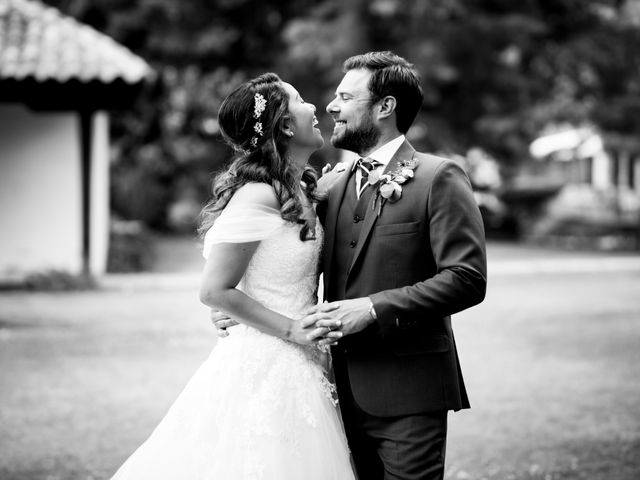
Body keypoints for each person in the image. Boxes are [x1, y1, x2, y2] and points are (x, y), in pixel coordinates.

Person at [215, 51, 487, 480]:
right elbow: (280, 254)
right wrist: (238, 302)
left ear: (384, 107)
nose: (331, 106)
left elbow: (467, 279)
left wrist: (373, 308)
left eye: (345, 96)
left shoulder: (440, 177)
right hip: (330, 390)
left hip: (409, 390)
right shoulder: (328, 188)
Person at [110, 73, 355, 480]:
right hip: (267, 361)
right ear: (287, 125)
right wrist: (293, 329)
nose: (315, 107)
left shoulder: (298, 191)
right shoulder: (257, 194)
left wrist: (322, 190)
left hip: (303, 361)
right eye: (300, 99)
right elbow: (214, 289)